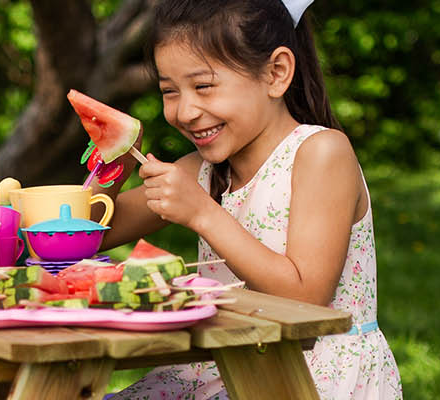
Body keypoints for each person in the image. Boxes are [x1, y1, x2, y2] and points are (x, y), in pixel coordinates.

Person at [97, 0, 403, 398]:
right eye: (169, 91)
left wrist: (203, 213)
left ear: (276, 73)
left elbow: (307, 298)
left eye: (203, 86)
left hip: (311, 375)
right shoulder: (201, 171)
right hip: (224, 366)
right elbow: (93, 235)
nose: (185, 111)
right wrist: (113, 167)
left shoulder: (321, 153)